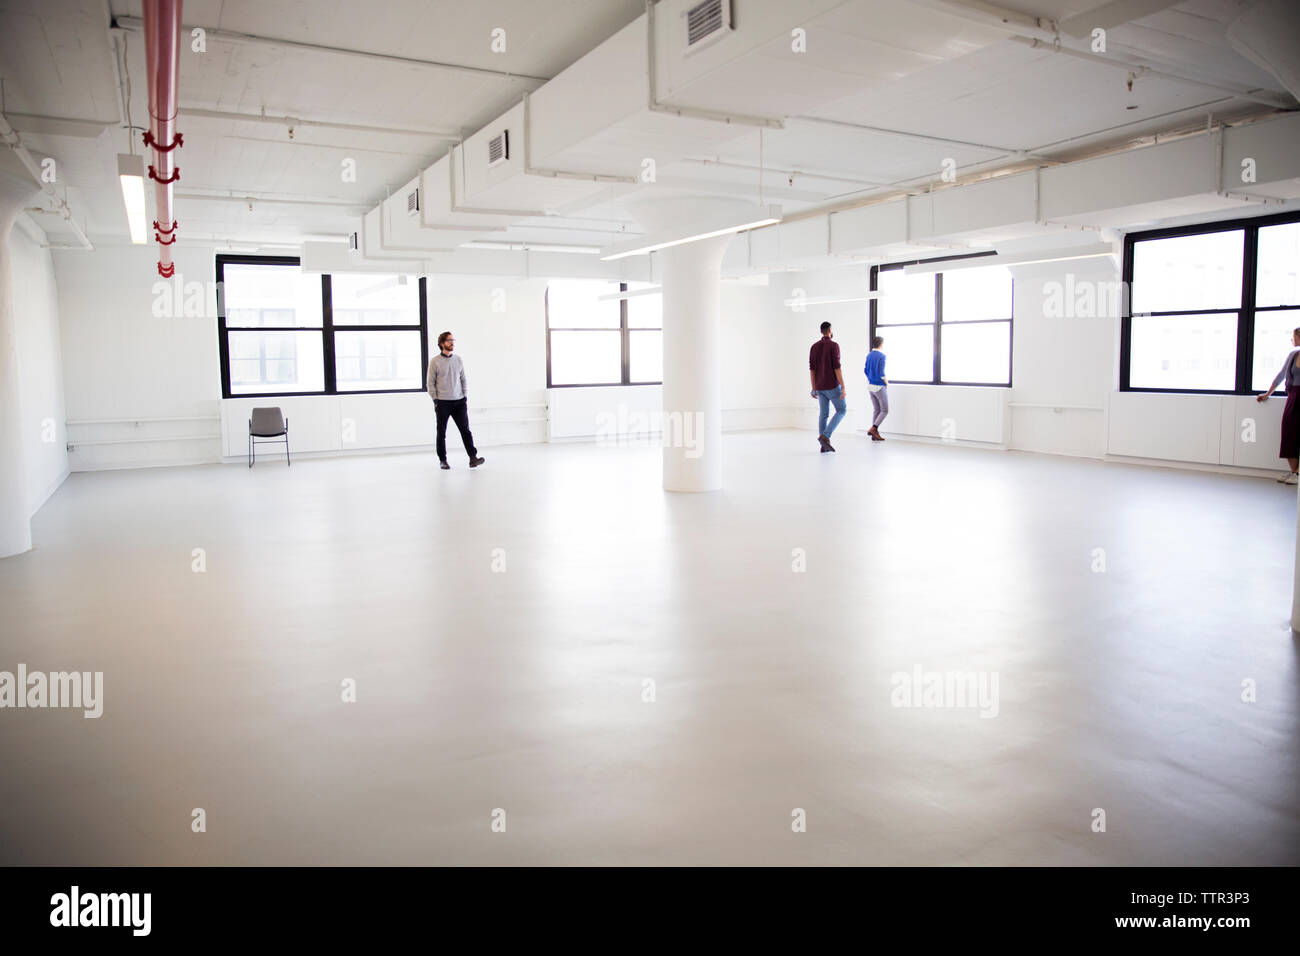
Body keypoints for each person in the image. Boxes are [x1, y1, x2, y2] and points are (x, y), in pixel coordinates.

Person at [427, 331, 485, 470]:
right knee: (441, 432)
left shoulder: (458, 359)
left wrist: (464, 396)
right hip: (442, 402)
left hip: (459, 402)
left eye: (453, 340)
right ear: (442, 343)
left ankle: (473, 458)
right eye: (449, 340)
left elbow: (463, 379)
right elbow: (430, 383)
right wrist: (435, 400)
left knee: (465, 430)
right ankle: (443, 460)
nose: (452, 342)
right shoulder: (435, 361)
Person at [1257, 327, 1300, 485]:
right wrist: (1268, 394)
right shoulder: (1292, 355)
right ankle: (1295, 472)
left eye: (1293, 336)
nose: (1292, 339)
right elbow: (1281, 375)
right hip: (1294, 396)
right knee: (1289, 432)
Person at [809, 321, 846, 452]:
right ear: (830, 330)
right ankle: (825, 436)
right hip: (832, 386)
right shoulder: (834, 345)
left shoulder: (814, 347)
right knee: (842, 410)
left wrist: (814, 388)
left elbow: (812, 370)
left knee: (823, 414)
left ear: (821, 331)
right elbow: (837, 368)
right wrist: (843, 387)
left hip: (819, 386)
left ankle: (823, 446)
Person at [864, 335, 889, 442]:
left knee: (876, 410)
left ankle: (875, 434)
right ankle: (874, 429)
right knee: (885, 410)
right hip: (879, 386)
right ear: (881, 344)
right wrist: (885, 382)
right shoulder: (882, 356)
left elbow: (865, 370)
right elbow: (881, 372)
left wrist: (871, 378)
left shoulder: (869, 355)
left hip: (870, 386)